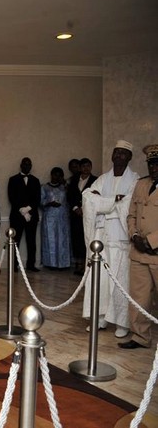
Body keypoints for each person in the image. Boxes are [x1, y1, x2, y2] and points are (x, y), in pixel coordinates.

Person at [82, 140, 139, 338]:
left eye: (123, 153)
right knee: (100, 279)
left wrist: (103, 204)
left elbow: (128, 204)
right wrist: (113, 201)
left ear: (129, 157)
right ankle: (100, 317)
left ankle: (122, 322)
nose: (118, 156)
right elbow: (88, 197)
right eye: (116, 152)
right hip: (101, 236)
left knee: (120, 280)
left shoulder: (135, 180)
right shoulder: (102, 179)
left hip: (120, 237)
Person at [119, 144, 158, 349]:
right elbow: (131, 213)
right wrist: (134, 235)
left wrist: (151, 241)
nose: (153, 168)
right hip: (139, 252)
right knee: (139, 298)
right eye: (151, 164)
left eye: (157, 164)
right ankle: (140, 337)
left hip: (156, 252)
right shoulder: (141, 184)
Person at [7, 157, 41, 272]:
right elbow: (12, 197)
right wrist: (22, 210)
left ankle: (31, 264)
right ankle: (14, 264)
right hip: (17, 216)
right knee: (15, 240)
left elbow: (37, 199)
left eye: (29, 164)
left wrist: (28, 209)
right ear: (21, 165)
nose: (27, 166)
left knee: (31, 241)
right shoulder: (13, 179)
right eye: (25, 164)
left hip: (32, 215)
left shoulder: (35, 180)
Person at [67, 158, 98, 274]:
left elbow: (96, 197)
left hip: (88, 215)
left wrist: (85, 209)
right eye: (84, 166)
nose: (86, 168)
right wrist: (75, 208)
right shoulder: (74, 180)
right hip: (75, 215)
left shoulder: (96, 180)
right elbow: (69, 195)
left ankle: (87, 264)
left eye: (88, 166)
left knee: (87, 237)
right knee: (76, 238)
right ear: (80, 168)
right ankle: (78, 264)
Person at [40, 167, 71, 269]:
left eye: (59, 175)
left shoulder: (64, 187)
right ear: (51, 175)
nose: (56, 177)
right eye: (55, 174)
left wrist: (65, 184)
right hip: (49, 217)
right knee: (51, 239)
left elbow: (70, 199)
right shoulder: (44, 187)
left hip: (63, 217)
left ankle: (63, 263)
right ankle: (51, 263)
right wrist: (49, 203)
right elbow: (40, 201)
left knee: (62, 239)